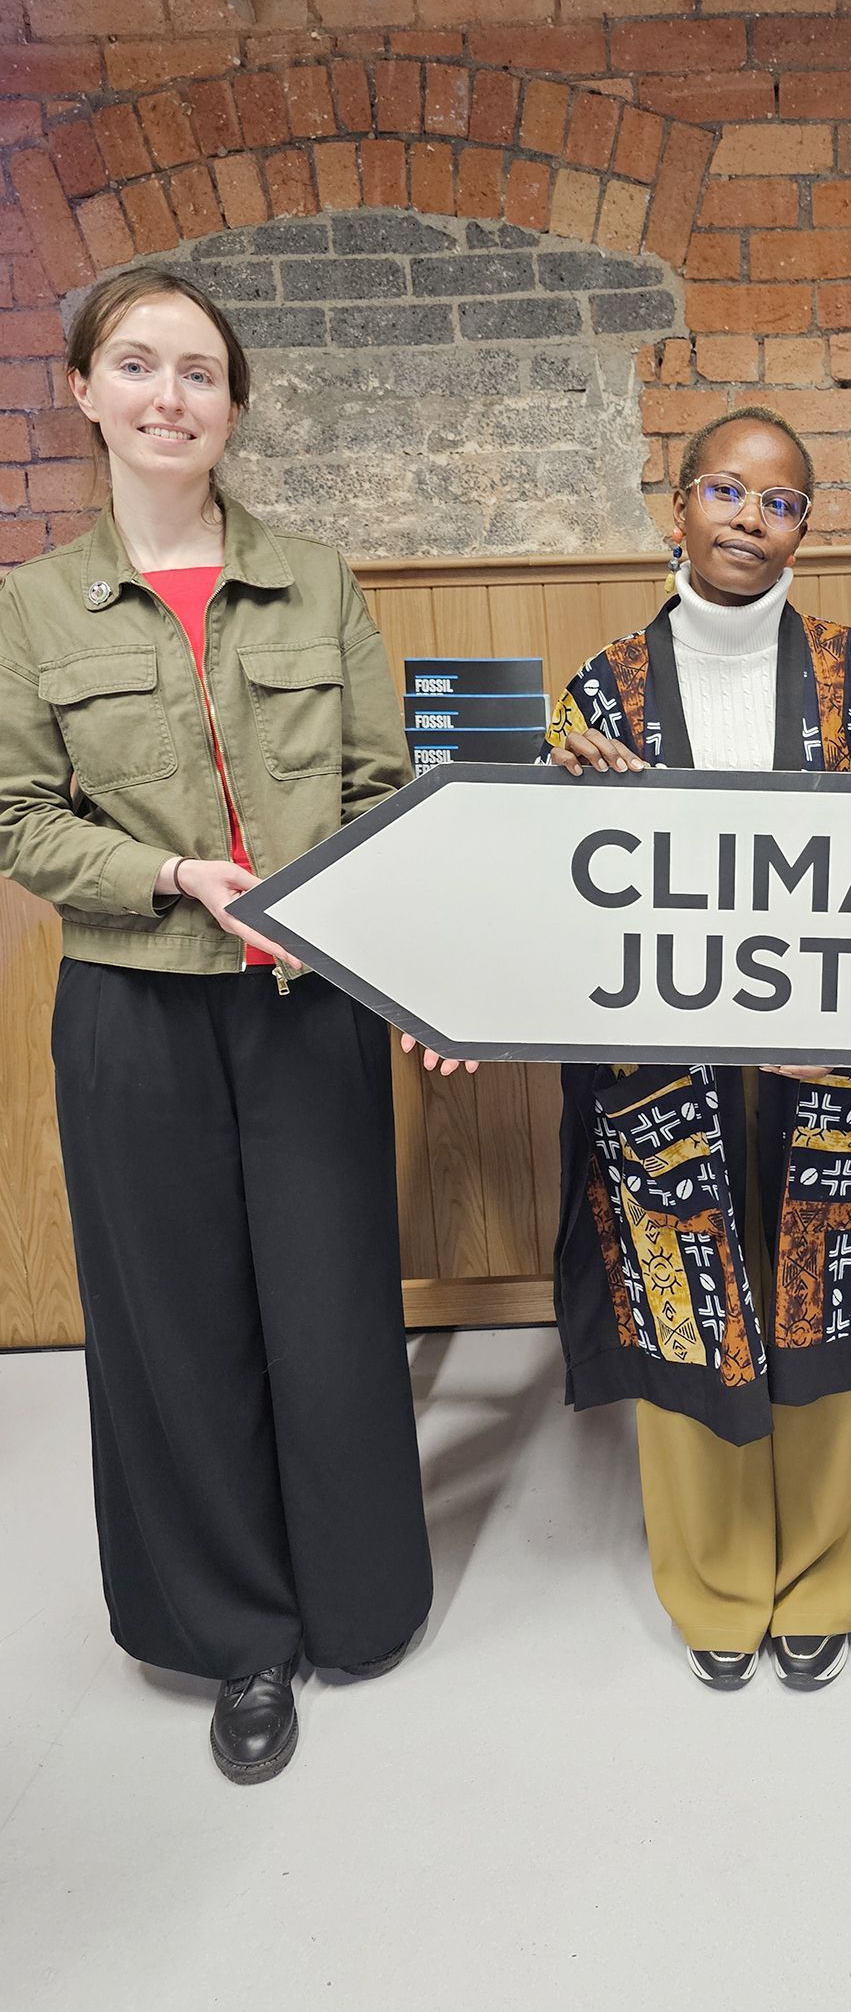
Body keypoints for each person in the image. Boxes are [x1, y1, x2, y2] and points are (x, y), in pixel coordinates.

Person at [0, 267, 433, 1784]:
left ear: (233, 406)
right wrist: (175, 875)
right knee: (174, 1326)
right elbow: (15, 817)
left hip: (308, 1007)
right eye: (138, 365)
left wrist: (398, 971)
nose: (169, 396)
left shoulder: (314, 578)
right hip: (134, 1010)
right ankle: (237, 1636)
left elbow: (383, 791)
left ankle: (359, 1600)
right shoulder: (34, 607)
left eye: (198, 371)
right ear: (87, 392)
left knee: (326, 1312)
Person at [544, 406, 851, 1691]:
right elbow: (543, 881)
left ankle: (832, 1577)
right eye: (724, 490)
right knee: (690, 1321)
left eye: (778, 502)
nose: (748, 518)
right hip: (668, 1080)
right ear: (675, 506)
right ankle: (715, 1588)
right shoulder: (600, 690)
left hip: (836, 1063)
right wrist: (572, 797)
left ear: (804, 529)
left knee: (831, 1313)